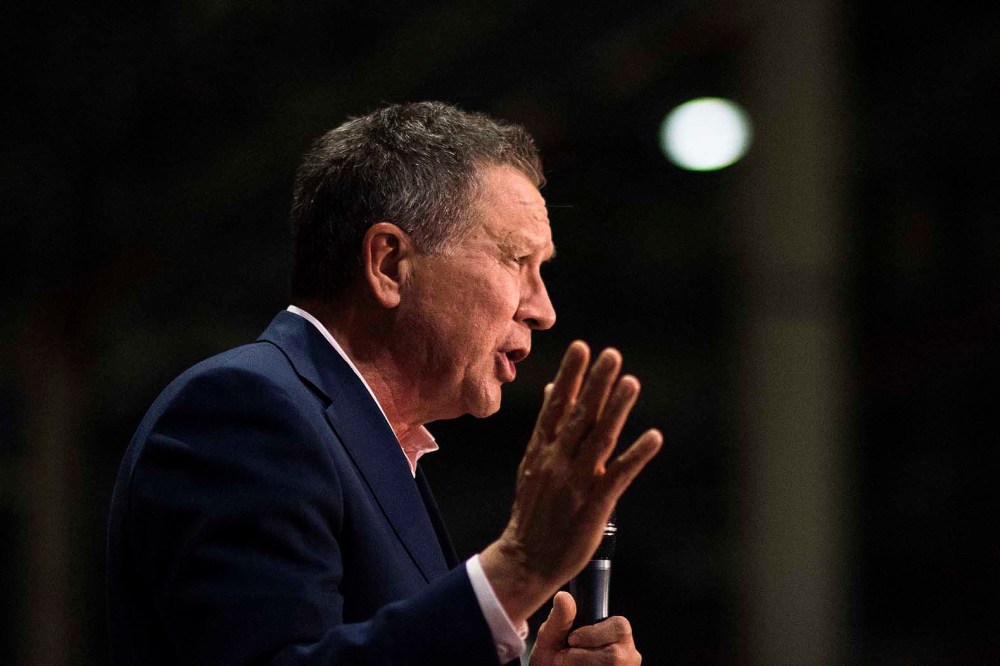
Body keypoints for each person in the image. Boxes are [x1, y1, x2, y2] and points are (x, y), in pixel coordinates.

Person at [107, 101, 662, 665]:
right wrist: (520, 568)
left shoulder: (373, 441)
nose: (542, 309)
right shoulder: (243, 412)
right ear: (390, 264)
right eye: (517, 259)